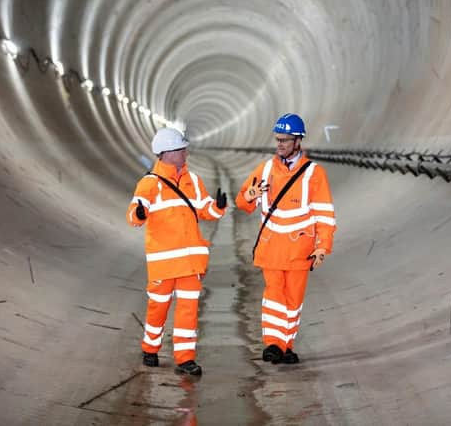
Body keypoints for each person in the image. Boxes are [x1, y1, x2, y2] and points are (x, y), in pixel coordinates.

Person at [235, 113, 336, 364]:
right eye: (278, 139)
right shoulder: (266, 169)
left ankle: (286, 345)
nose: (280, 144)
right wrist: (250, 194)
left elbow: (324, 214)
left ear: (298, 141)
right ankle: (273, 344)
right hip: (271, 248)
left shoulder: (314, 174)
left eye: (286, 140)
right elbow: (242, 203)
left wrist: (323, 246)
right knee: (274, 297)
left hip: (300, 250)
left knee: (293, 301)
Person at [126, 127, 227, 376]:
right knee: (158, 307)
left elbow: (205, 210)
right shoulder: (149, 184)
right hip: (164, 263)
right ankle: (150, 349)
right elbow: (134, 214)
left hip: (190, 262)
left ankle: (185, 359)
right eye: (182, 149)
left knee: (188, 310)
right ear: (168, 153)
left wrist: (218, 207)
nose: (186, 153)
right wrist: (139, 214)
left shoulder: (193, 181)